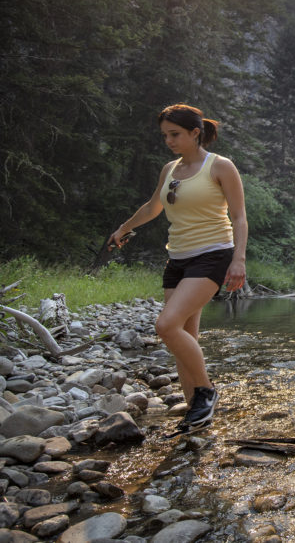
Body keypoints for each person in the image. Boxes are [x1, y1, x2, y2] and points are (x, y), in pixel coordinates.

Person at [109, 104, 247, 434]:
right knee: (184, 336)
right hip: (178, 259)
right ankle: (195, 414)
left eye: (175, 134)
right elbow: (153, 206)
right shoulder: (170, 169)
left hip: (213, 255)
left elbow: (240, 217)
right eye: (165, 135)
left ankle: (206, 392)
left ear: (195, 133)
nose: (168, 141)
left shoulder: (220, 166)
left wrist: (239, 259)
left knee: (166, 325)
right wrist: (124, 228)